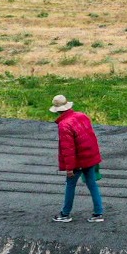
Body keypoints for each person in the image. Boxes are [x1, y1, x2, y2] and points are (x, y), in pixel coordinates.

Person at [50, 94, 104, 224]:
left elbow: (68, 149)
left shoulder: (64, 125)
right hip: (90, 157)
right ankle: (98, 213)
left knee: (70, 185)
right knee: (92, 183)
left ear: (58, 110)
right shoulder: (82, 116)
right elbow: (91, 137)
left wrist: (69, 168)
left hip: (78, 162)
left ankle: (65, 214)